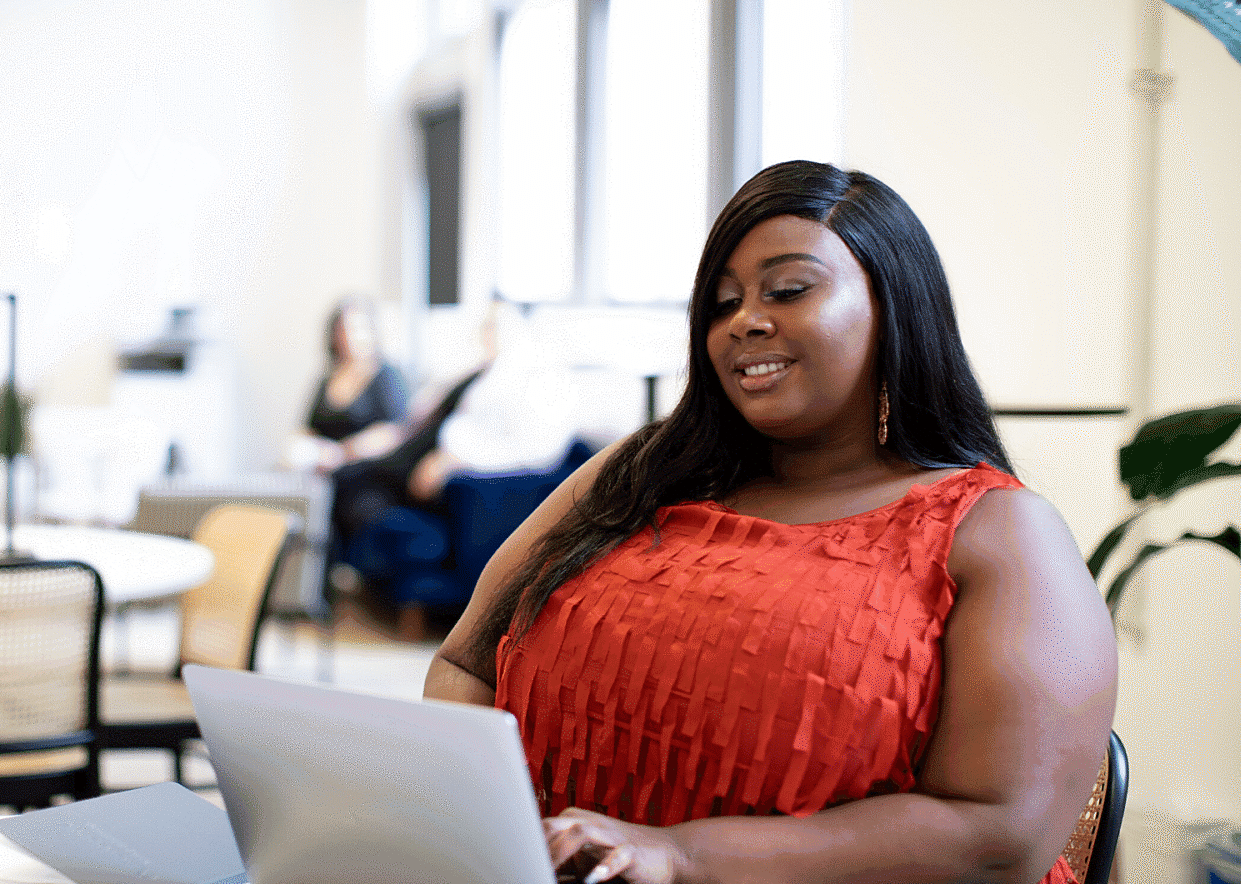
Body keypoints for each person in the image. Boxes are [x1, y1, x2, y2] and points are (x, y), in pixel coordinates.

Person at [424, 160, 1117, 884]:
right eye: (723, 303)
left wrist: (681, 854)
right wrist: (482, 825)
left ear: (896, 306)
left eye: (788, 290)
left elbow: (998, 836)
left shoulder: (997, 530)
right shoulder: (641, 472)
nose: (745, 321)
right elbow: (465, 663)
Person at [330, 299, 577, 560]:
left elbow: (525, 448)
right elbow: (416, 418)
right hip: (415, 454)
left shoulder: (529, 384)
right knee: (342, 482)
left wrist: (450, 461)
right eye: (485, 326)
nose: (487, 333)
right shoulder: (479, 374)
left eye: (495, 325)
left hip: (441, 472)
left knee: (351, 487)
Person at [285, 296, 409, 474]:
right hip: (323, 471)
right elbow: (308, 428)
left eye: (356, 328)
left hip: (368, 472)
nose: (349, 336)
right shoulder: (328, 379)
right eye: (342, 330)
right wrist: (301, 450)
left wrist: (343, 453)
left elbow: (395, 431)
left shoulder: (385, 375)